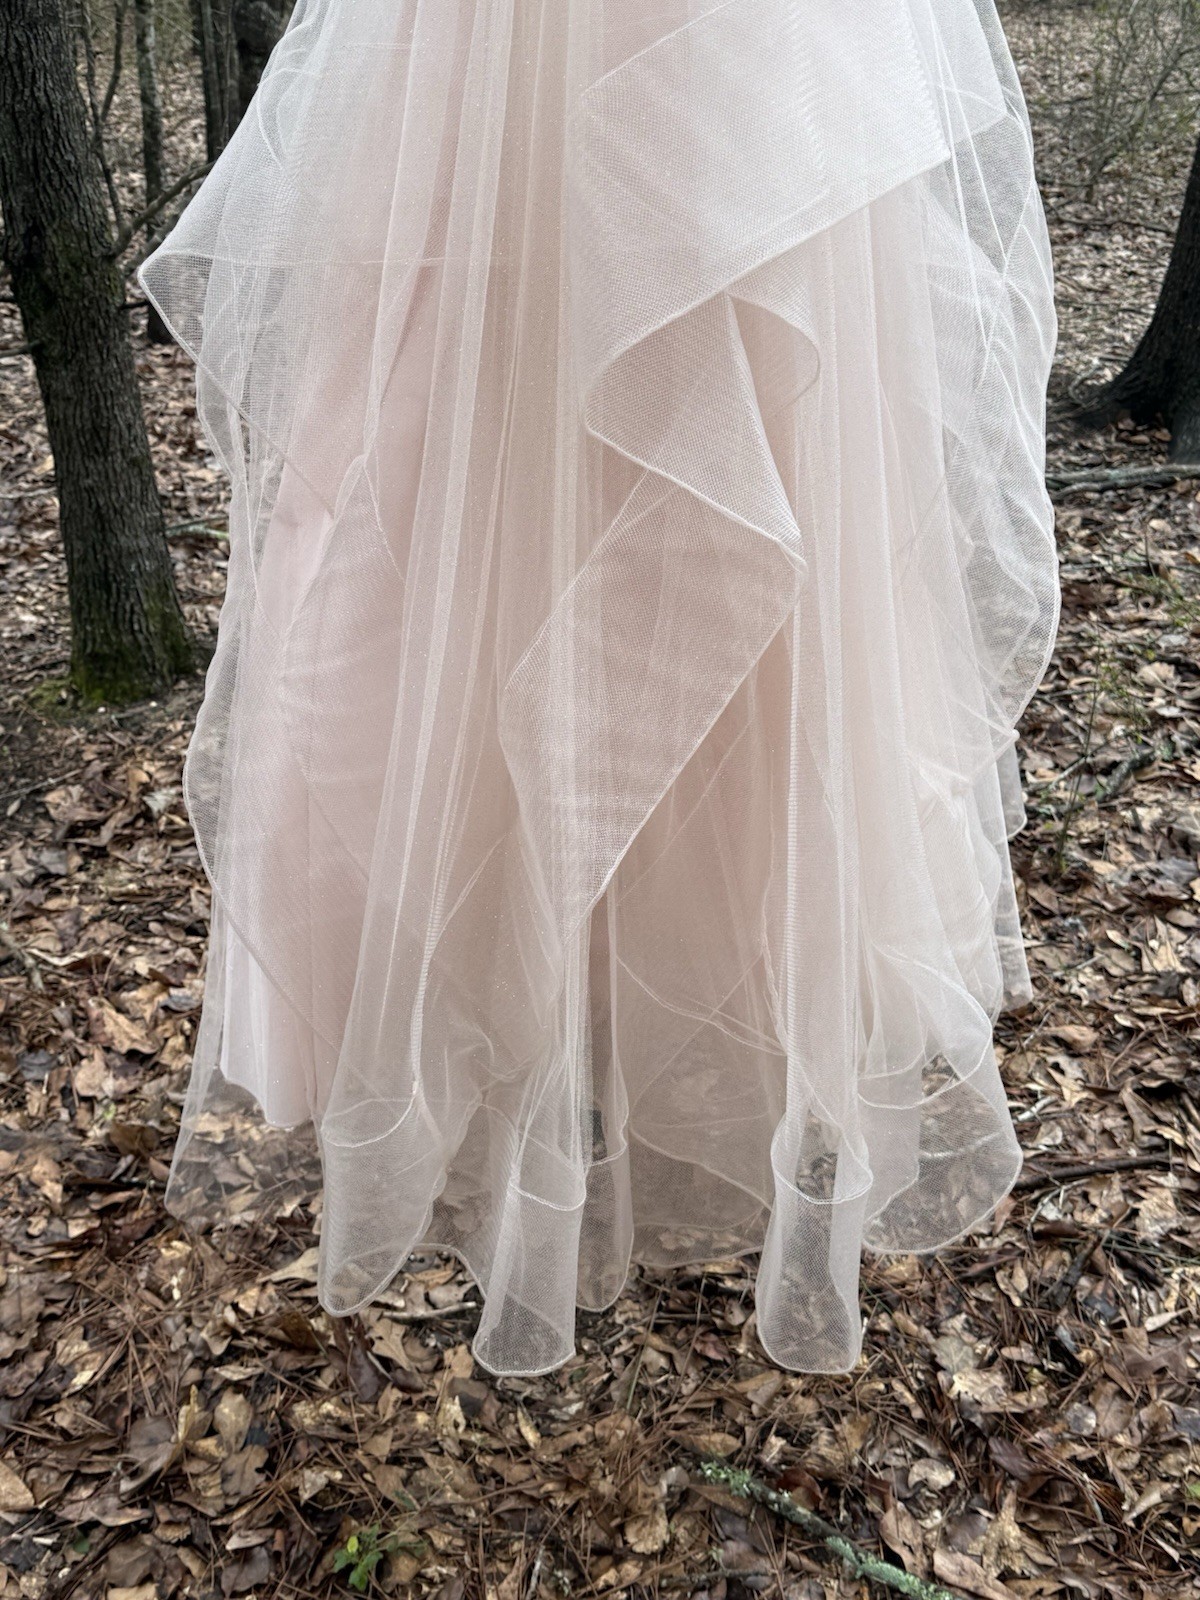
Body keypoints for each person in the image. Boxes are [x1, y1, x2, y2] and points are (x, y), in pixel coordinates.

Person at [140, 0, 1061, 1378]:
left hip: (725, 71)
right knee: (466, 475)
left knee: (713, 434)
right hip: (496, 76)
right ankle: (521, 1017)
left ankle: (601, 1029)